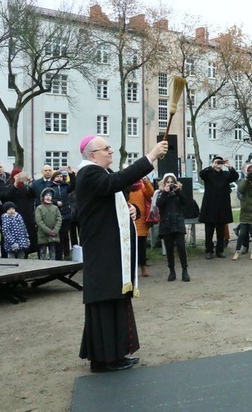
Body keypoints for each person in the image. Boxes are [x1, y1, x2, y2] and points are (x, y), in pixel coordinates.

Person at [76, 135, 168, 373]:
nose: (110, 151)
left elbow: (112, 198)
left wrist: (132, 209)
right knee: (105, 302)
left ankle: (114, 354)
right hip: (102, 249)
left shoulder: (101, 175)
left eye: (110, 147)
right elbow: (117, 182)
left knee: (115, 299)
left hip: (110, 248)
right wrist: (151, 156)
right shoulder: (88, 173)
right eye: (105, 148)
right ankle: (104, 359)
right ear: (92, 155)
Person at [198, 156, 239, 259]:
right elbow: (201, 174)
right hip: (210, 206)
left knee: (221, 231)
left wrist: (229, 166)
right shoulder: (208, 174)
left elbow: (235, 177)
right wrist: (212, 166)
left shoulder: (226, 174)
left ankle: (220, 250)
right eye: (217, 162)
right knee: (209, 230)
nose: (219, 164)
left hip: (222, 206)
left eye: (220, 162)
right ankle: (209, 250)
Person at [156, 173, 190, 282]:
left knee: (181, 246)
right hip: (166, 225)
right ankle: (172, 271)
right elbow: (159, 204)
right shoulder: (160, 193)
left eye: (172, 182)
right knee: (169, 248)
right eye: (168, 182)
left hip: (178, 223)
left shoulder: (178, 193)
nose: (170, 184)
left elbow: (185, 202)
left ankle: (185, 270)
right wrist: (166, 192)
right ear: (164, 183)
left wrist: (177, 191)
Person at [232, 163, 252, 261]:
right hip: (246, 211)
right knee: (242, 233)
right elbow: (241, 190)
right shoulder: (243, 181)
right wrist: (247, 180)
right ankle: (237, 251)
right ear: (246, 172)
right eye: (250, 171)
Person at [4, 172, 38, 257]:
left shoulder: (25, 187)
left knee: (27, 235)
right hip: (15, 215)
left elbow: (33, 195)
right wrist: (15, 183)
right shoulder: (10, 186)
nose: (19, 177)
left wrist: (30, 182)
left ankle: (26, 252)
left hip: (27, 214)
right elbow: (8, 196)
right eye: (17, 175)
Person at [127, 175, 154, 277]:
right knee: (130, 247)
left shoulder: (142, 186)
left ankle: (143, 266)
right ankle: (131, 269)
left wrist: (146, 181)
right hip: (128, 220)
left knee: (141, 246)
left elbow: (150, 193)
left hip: (141, 221)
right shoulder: (125, 187)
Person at [49, 169, 76, 260]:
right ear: (53, 177)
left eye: (61, 176)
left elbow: (74, 185)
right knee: (58, 236)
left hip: (66, 214)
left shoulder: (65, 186)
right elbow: (47, 199)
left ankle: (67, 254)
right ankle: (58, 256)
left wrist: (71, 174)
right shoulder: (50, 187)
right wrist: (56, 202)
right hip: (55, 215)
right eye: (57, 176)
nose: (59, 178)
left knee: (65, 235)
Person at [35, 188, 62, 260]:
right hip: (43, 234)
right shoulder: (39, 208)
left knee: (52, 251)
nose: (48, 197)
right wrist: (48, 231)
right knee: (42, 251)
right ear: (43, 197)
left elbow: (59, 219)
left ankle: (52, 266)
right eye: (46, 195)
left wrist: (55, 230)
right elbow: (39, 221)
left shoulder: (55, 208)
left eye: (50, 195)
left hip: (54, 233)